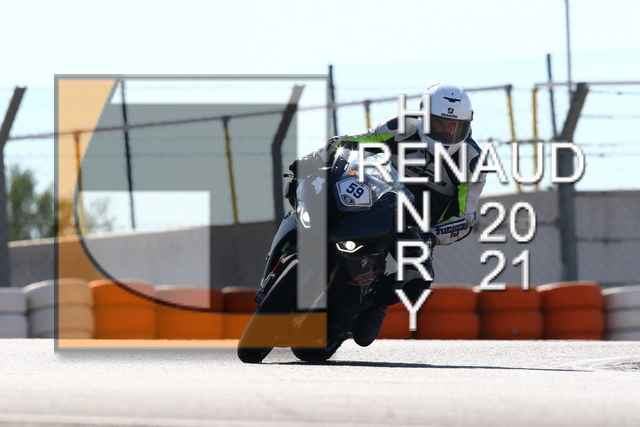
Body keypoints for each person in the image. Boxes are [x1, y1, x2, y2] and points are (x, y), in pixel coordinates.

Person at [290, 83, 487, 346]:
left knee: (417, 279)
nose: (445, 132)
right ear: (423, 115)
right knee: (320, 191)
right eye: (438, 123)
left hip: (416, 228)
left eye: (454, 126)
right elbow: (354, 142)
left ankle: (377, 304)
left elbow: (465, 219)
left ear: (467, 124)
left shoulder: (473, 161)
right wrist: (314, 158)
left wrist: (429, 237)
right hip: (373, 202)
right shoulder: (402, 127)